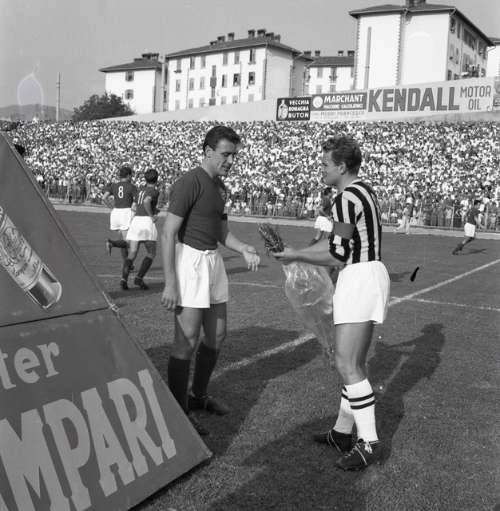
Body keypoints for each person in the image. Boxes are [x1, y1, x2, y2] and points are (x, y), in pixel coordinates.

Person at [273, 135, 390, 470]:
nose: (321, 169)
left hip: (360, 277)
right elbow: (341, 245)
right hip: (368, 274)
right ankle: (342, 432)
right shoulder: (362, 190)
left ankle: (369, 442)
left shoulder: (346, 197)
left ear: (341, 166)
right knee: (353, 362)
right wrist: (298, 252)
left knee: (347, 364)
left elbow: (337, 254)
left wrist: (295, 254)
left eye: (325, 164)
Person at [160, 125, 260, 435]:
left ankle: (198, 395)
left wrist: (242, 248)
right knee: (186, 340)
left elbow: (221, 232)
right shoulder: (190, 182)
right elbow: (168, 232)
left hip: (213, 262)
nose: (231, 161)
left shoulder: (220, 188)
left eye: (234, 155)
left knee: (217, 335)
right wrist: (170, 282)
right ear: (208, 151)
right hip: (190, 262)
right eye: (226, 154)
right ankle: (179, 411)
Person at [121, 168, 160, 290]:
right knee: (151, 253)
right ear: (156, 179)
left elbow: (135, 206)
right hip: (146, 222)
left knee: (132, 252)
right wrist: (152, 215)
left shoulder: (140, 190)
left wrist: (153, 209)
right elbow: (147, 201)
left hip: (136, 221)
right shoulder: (154, 191)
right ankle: (139, 278)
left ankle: (123, 279)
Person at [102, 165, 137, 287]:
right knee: (128, 242)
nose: (132, 177)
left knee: (123, 240)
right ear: (128, 176)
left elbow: (104, 198)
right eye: (131, 175)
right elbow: (135, 203)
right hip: (126, 213)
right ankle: (111, 243)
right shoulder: (131, 186)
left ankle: (127, 264)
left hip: (116, 213)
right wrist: (134, 212)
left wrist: (111, 208)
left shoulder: (114, 186)